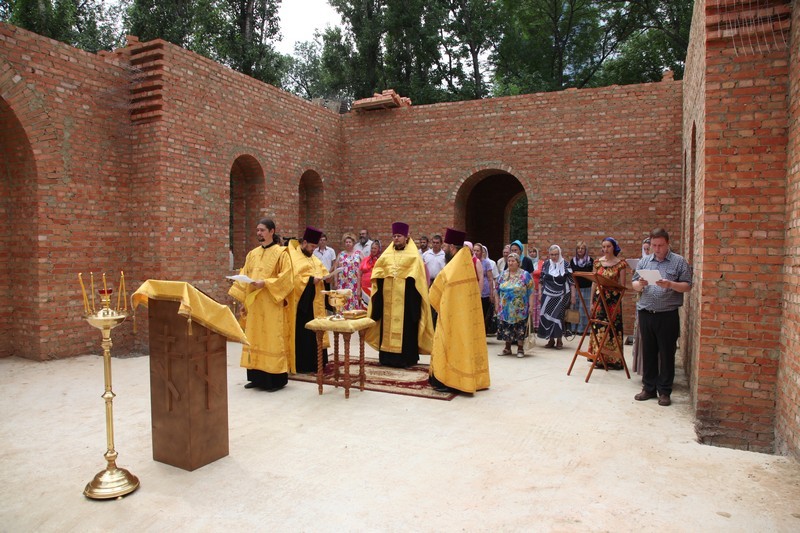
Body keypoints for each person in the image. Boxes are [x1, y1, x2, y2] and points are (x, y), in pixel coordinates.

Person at [228, 218, 293, 391]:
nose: (259, 233)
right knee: (254, 339)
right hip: (254, 305)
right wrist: (241, 289)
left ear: (272, 231)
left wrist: (265, 283)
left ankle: (274, 380)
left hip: (271, 304)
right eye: (257, 230)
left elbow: (287, 279)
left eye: (262, 230)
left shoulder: (282, 253)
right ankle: (256, 378)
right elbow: (245, 273)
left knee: (271, 340)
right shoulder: (252, 254)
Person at [631, 228, 693, 407]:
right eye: (654, 245)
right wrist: (639, 284)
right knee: (648, 351)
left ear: (667, 244)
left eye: (660, 245)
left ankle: (664, 391)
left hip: (667, 314)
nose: (657, 249)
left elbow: (687, 286)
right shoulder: (644, 261)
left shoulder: (678, 262)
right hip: (646, 312)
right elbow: (634, 283)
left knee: (666, 353)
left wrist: (670, 284)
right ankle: (648, 388)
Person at [428, 228, 490, 393]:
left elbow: (435, 291)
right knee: (463, 345)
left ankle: (449, 380)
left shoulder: (453, 267)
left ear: (453, 248)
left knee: (451, 346)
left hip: (451, 315)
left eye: (446, 246)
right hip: (462, 314)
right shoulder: (465, 262)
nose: (443, 249)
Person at [366, 222, 434, 368]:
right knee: (387, 327)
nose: (396, 239)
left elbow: (419, 281)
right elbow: (378, 274)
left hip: (406, 302)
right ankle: (387, 358)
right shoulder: (386, 255)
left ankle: (406, 359)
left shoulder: (414, 257)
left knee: (407, 330)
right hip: (388, 301)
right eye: (394, 236)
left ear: (406, 237)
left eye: (399, 236)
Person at [287, 227, 332, 373]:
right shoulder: (293, 257)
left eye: (315, 247)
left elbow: (323, 272)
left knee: (317, 333)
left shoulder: (314, 259)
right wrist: (311, 281)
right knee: (305, 336)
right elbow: (293, 279)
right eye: (312, 246)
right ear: (304, 242)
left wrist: (327, 277)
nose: (313, 249)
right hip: (303, 305)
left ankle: (318, 362)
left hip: (316, 302)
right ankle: (304, 365)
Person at [588, 237, 628, 370]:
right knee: (599, 326)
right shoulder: (597, 263)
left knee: (612, 329)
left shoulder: (621, 264)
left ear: (614, 247)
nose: (606, 249)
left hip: (613, 302)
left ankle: (614, 359)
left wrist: (616, 295)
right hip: (599, 300)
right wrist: (591, 301)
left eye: (608, 246)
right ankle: (599, 357)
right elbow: (594, 282)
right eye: (603, 246)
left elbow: (622, 285)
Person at [495, 252, 535, 357]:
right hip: (505, 309)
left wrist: (531, 306)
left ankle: (520, 349)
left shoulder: (524, 275)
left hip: (520, 309)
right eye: (509, 261)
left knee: (520, 328)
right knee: (506, 328)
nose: (510, 263)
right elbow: (497, 290)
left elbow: (531, 291)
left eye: (513, 261)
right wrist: (496, 305)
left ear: (518, 263)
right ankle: (507, 348)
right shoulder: (503, 274)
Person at [537, 245, 574, 349]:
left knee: (558, 316)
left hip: (562, 295)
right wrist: (540, 293)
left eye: (556, 254)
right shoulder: (546, 264)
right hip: (547, 294)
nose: (554, 256)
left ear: (560, 254)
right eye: (552, 254)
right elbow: (541, 280)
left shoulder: (566, 264)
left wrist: (573, 296)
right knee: (546, 316)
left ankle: (559, 340)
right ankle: (551, 339)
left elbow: (572, 282)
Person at [632, 237, 652, 375]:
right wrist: (639, 283)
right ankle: (643, 369)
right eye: (644, 249)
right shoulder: (642, 263)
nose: (647, 251)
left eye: (648, 248)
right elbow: (634, 283)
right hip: (643, 303)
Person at [422, 234, 446, 327]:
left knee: (437, 303)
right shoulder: (426, 254)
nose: (435, 245)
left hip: (439, 282)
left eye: (437, 243)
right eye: (434, 243)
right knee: (428, 303)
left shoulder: (444, 255)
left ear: (441, 244)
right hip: (428, 282)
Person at [569, 241, 594, 335]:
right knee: (575, 308)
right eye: (578, 248)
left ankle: (584, 330)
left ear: (585, 250)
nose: (580, 250)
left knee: (584, 309)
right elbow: (571, 276)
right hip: (576, 288)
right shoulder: (573, 261)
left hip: (587, 288)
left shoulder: (590, 261)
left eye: (582, 248)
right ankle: (574, 329)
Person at [335, 233, 363, 310]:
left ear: (353, 243)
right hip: (342, 283)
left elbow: (363, 269)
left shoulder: (358, 254)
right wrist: (335, 283)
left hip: (354, 283)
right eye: (346, 242)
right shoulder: (341, 254)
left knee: (353, 302)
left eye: (349, 242)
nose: (348, 244)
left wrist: (360, 286)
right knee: (342, 302)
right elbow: (335, 269)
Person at [473, 243, 496, 336]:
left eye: (477, 250)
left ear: (482, 252)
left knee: (484, 312)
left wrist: (491, 293)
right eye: (474, 250)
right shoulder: (471, 261)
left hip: (485, 291)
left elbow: (490, 278)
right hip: (474, 290)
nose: (475, 252)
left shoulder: (486, 263)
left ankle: (483, 333)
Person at [359, 239, 381, 308]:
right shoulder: (365, 259)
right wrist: (358, 288)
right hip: (364, 287)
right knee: (365, 307)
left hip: (375, 288)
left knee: (374, 307)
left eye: (375, 248)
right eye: (372, 248)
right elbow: (359, 274)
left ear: (378, 249)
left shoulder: (381, 260)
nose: (373, 250)